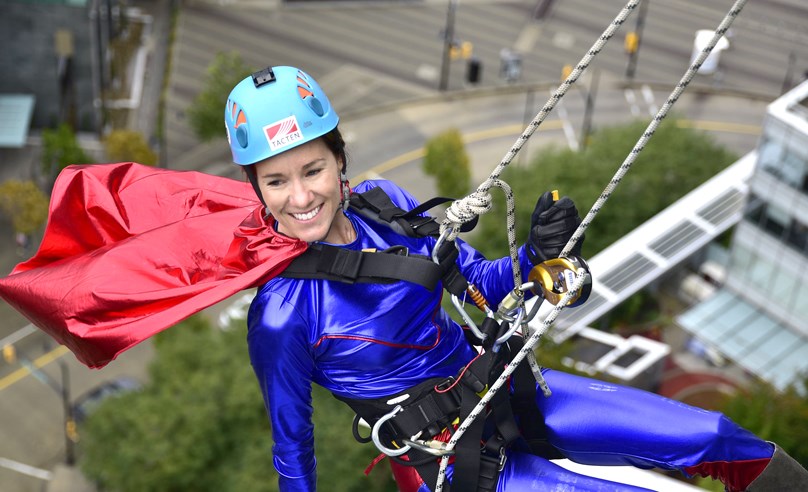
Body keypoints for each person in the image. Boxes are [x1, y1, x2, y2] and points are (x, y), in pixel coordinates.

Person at [224, 66, 808, 492]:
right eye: (276, 182)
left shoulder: (387, 207)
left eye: (313, 169)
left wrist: (534, 254)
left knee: (715, 435)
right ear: (256, 189)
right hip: (445, 461)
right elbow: (292, 449)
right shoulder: (280, 314)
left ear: (340, 160)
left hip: (503, 385)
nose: (300, 197)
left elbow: (479, 282)